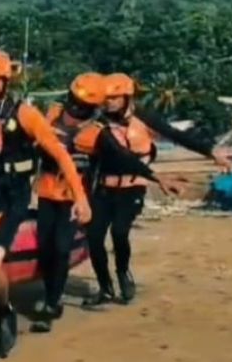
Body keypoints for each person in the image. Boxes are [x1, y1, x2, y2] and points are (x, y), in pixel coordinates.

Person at [0, 50, 92, 362]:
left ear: (4, 82)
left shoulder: (25, 114)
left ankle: (5, 309)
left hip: (10, 196)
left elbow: (59, 154)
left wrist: (80, 197)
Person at [85, 72, 205, 305]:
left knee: (119, 231)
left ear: (127, 98)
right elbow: (116, 155)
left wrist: (211, 153)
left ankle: (123, 272)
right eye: (106, 98)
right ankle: (105, 288)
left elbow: (177, 136)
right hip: (104, 188)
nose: (109, 102)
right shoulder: (98, 125)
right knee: (94, 237)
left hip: (133, 186)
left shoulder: (144, 119)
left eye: (115, 97)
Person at [29, 72, 107, 333]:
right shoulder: (50, 115)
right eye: (73, 103)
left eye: (82, 108)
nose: (74, 111)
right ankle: (50, 291)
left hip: (74, 197)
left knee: (62, 248)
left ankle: (51, 303)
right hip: (47, 191)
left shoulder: (97, 133)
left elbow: (116, 160)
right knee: (45, 248)